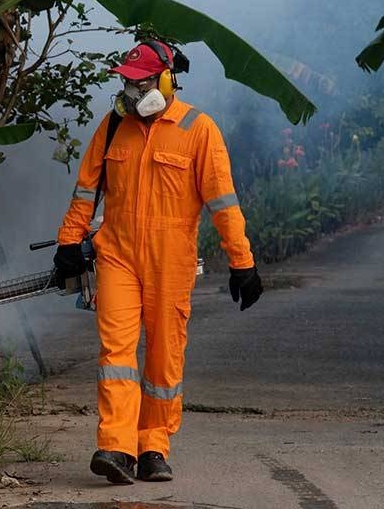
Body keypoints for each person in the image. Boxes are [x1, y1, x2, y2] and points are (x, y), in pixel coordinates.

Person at [53, 40, 263, 484]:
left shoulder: (198, 129)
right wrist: (69, 242)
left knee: (164, 360)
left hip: (171, 263)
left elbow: (223, 204)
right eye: (127, 84)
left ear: (166, 80)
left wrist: (242, 262)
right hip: (118, 257)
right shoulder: (113, 127)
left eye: (141, 83)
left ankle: (153, 446)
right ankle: (116, 447)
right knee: (117, 354)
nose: (131, 93)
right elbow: (86, 192)